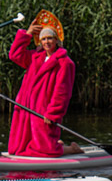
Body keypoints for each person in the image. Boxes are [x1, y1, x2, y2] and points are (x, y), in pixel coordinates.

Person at [6, 20, 82, 157]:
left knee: (45, 149)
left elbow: (62, 92)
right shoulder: (35, 57)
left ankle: (71, 149)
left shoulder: (65, 63)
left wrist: (53, 113)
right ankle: (59, 145)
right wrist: (27, 34)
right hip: (26, 107)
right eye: (43, 39)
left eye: (50, 38)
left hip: (44, 109)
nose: (46, 42)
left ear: (56, 40)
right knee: (20, 147)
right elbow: (15, 55)